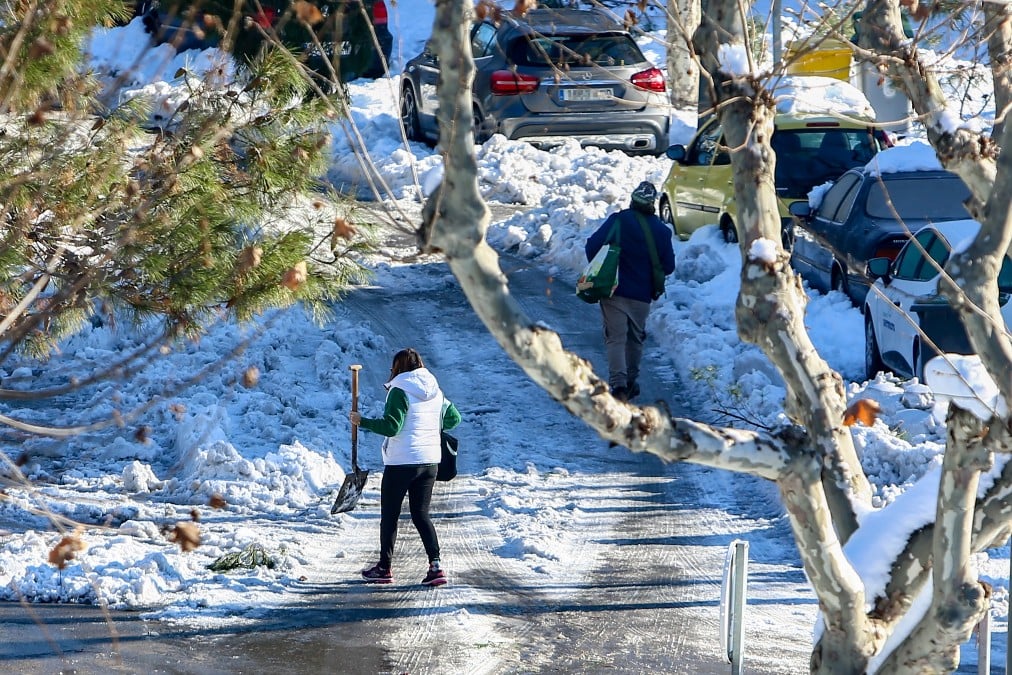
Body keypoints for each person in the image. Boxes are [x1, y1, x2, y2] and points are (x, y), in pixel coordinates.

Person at [350, 348, 461, 586]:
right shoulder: (435, 391)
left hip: (401, 462)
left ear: (398, 368)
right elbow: (454, 418)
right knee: (421, 515)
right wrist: (429, 425)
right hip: (430, 461)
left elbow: (392, 427)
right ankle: (436, 566)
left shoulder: (399, 390)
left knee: (390, 515)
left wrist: (363, 422)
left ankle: (384, 568)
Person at [585, 181, 676, 402]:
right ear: (652, 204)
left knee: (615, 338)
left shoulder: (618, 221)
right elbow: (669, 266)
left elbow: (592, 246)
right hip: (642, 295)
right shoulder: (662, 231)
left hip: (613, 290)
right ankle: (631, 381)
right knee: (635, 339)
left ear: (633, 200)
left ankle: (618, 385)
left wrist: (602, 268)